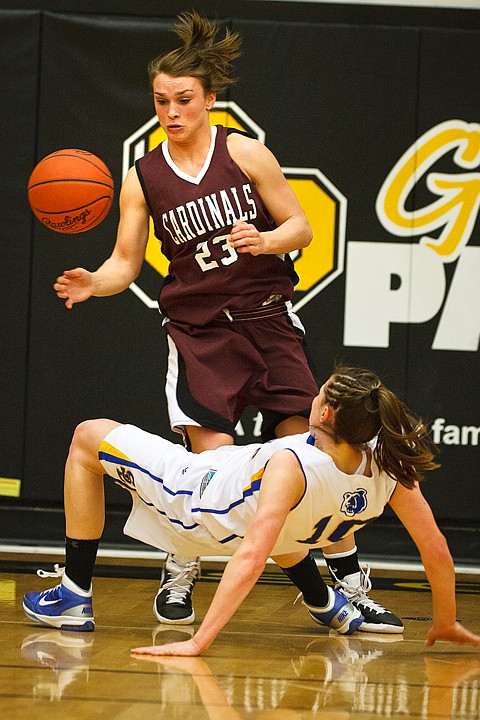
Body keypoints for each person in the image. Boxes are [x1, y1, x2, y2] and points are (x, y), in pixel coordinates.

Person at [52, 11, 400, 632]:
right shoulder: (143, 178)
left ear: (211, 99)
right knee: (209, 476)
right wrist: (94, 283)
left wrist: (266, 242)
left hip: (268, 323)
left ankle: (349, 591)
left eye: (183, 99)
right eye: (160, 100)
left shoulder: (244, 152)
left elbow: (301, 226)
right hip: (201, 334)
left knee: (311, 459)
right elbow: (125, 263)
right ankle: (182, 565)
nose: (170, 111)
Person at [23, 366, 480, 656]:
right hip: (279, 523)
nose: (313, 398)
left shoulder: (292, 467)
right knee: (288, 525)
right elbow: (435, 548)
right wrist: (445, 618)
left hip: (198, 503)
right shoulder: (390, 462)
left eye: (320, 396)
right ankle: (327, 603)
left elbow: (249, 560)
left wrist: (199, 642)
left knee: (88, 436)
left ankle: (71, 594)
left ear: (329, 415)